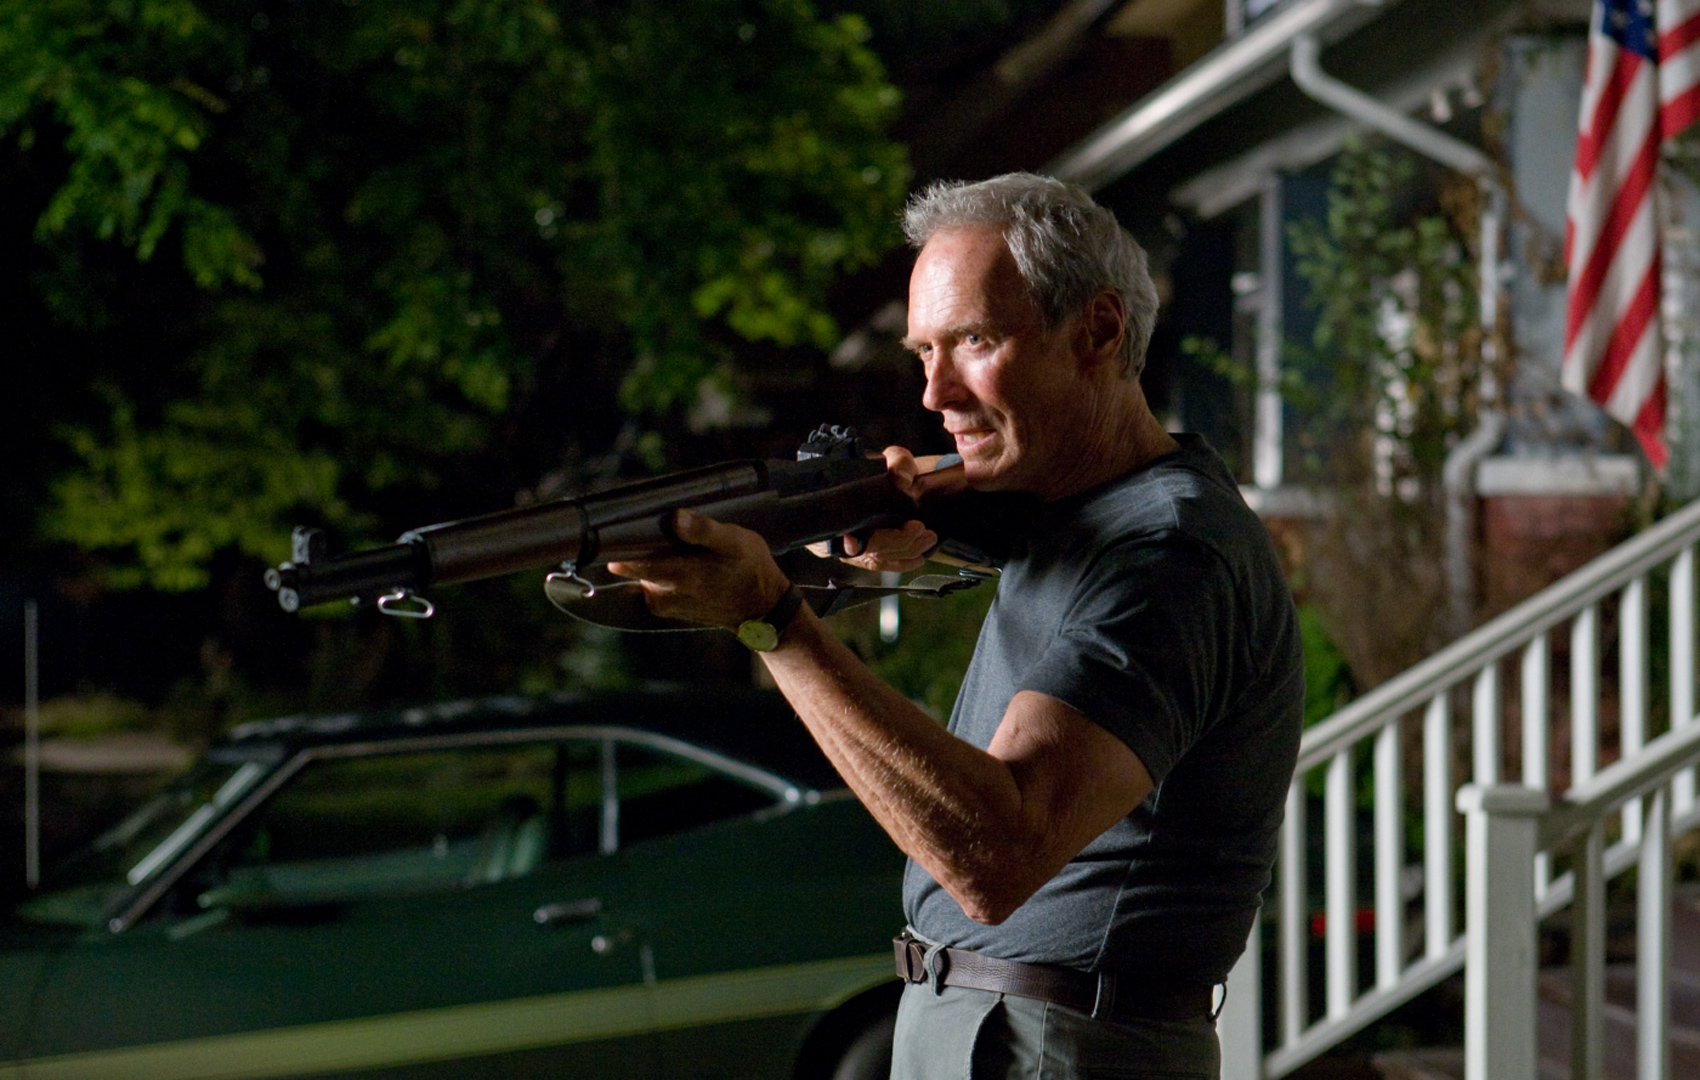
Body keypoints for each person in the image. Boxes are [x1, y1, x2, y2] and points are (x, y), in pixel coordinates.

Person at [607, 173, 1303, 1079]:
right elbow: (988, 520)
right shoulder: (1070, 514)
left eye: (975, 342)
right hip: (994, 1023)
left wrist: (774, 620)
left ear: (1097, 331)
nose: (935, 394)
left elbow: (994, 856)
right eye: (922, 352)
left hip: (1060, 1043)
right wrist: (868, 536)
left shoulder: (1170, 555)